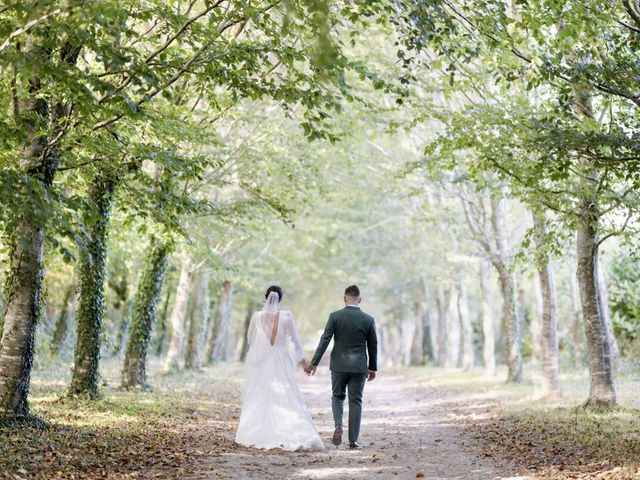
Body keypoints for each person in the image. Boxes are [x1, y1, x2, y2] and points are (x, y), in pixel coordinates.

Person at [235, 285, 324, 451]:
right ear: (280, 299)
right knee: (286, 395)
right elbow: (295, 341)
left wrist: (262, 348)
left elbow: (250, 339)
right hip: (281, 361)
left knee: (260, 395)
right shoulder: (287, 316)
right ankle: (291, 431)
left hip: (261, 362)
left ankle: (256, 432)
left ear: (265, 297)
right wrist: (304, 363)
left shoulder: (256, 316)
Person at [306, 285, 378, 450]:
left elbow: (325, 340)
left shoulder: (335, 316)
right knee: (356, 400)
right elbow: (373, 345)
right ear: (359, 300)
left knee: (337, 396)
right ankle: (353, 440)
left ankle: (338, 425)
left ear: (345, 299)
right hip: (359, 367)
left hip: (338, 364)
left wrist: (314, 363)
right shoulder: (368, 319)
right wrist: (372, 367)